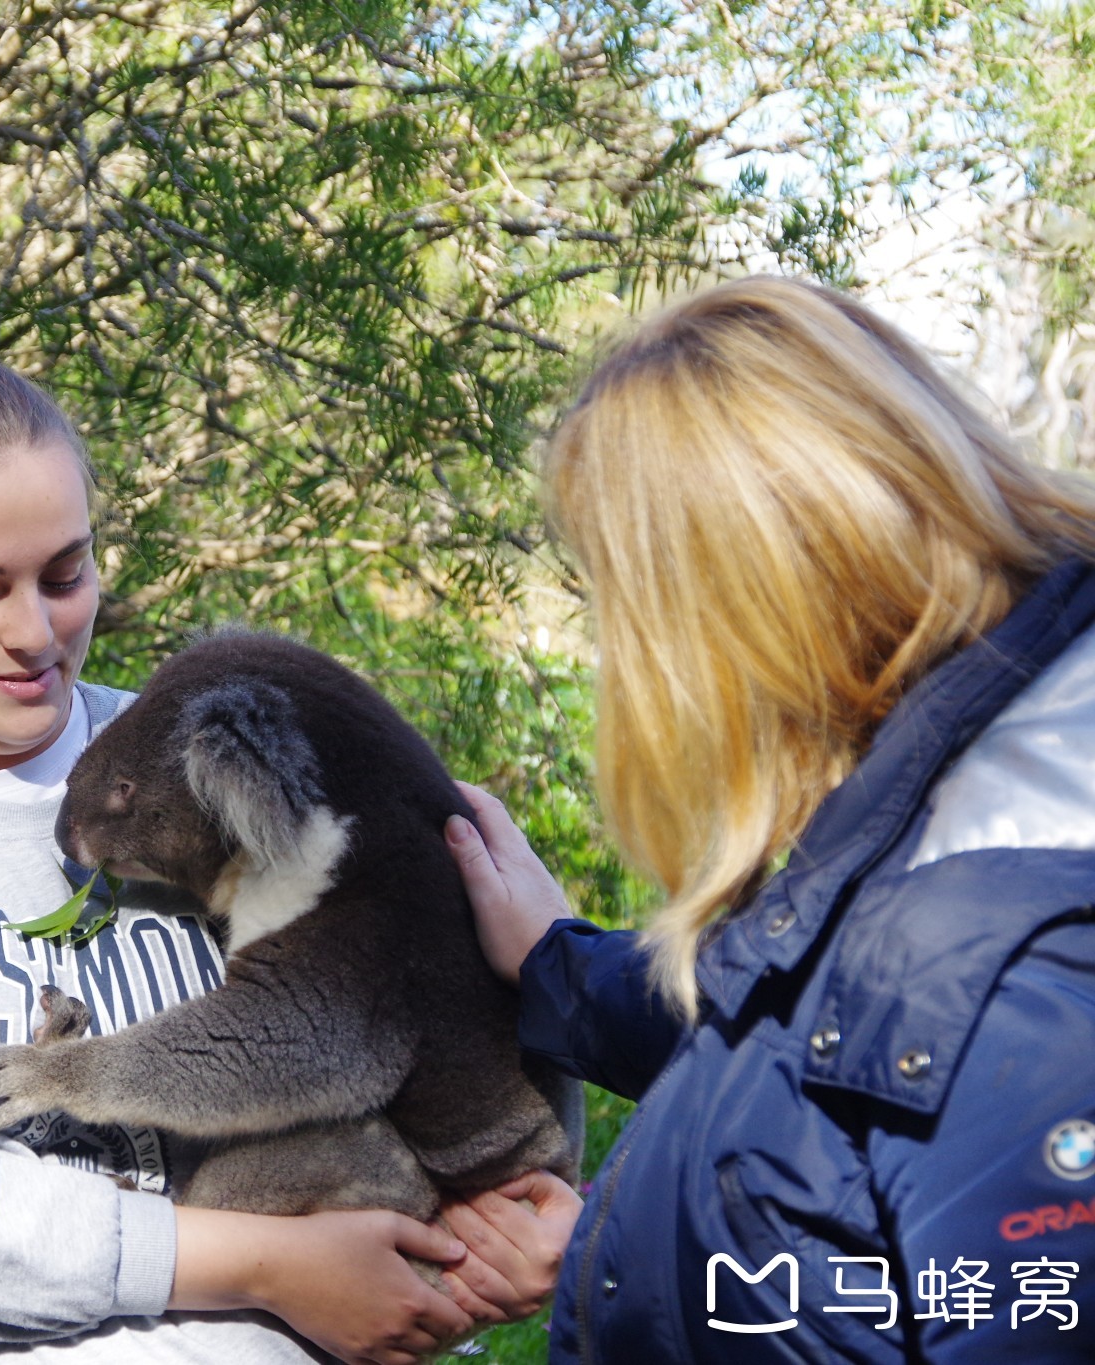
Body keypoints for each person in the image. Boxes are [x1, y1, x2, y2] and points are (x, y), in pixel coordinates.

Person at [0, 355, 576, 1365]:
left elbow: (435, 1017)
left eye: (64, 575)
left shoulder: (219, 757)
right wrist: (264, 1265)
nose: (33, 633)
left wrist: (517, 1216)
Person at [441, 275, 1095, 1362]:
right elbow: (819, 1044)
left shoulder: (1003, 971)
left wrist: (624, 1253)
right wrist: (559, 972)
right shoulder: (979, 766)